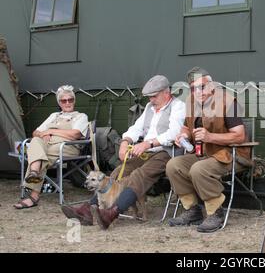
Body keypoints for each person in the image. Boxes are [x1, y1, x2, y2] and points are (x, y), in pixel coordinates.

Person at [61, 75, 185, 229]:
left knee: (138, 175)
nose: (151, 100)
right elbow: (136, 128)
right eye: (149, 97)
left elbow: (174, 133)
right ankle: (89, 209)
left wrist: (148, 143)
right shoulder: (149, 108)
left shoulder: (178, 106)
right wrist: (125, 142)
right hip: (147, 150)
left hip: (167, 152)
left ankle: (113, 212)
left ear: (167, 93)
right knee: (119, 171)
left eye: (154, 96)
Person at [166, 67, 250, 233]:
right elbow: (186, 127)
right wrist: (182, 135)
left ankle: (215, 213)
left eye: (202, 87)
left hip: (230, 155)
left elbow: (239, 136)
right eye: (193, 88)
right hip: (203, 153)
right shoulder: (191, 101)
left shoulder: (227, 102)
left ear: (212, 86)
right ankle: (192, 210)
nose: (198, 92)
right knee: (173, 165)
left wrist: (210, 137)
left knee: (199, 169)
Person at [13, 85, 89, 209]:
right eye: (64, 101)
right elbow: (36, 133)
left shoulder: (81, 116)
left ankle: (33, 193)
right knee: (35, 141)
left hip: (66, 147)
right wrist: (42, 134)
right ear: (59, 103)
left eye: (70, 100)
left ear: (74, 101)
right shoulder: (54, 115)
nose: (68, 103)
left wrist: (51, 132)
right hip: (47, 146)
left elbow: (75, 134)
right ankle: (34, 173)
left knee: (40, 155)